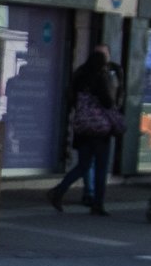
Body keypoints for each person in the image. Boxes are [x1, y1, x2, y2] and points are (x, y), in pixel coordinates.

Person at [47, 49, 121, 215]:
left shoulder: (79, 77)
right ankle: (98, 204)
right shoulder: (101, 78)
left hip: (82, 129)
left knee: (83, 165)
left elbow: (71, 99)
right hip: (100, 130)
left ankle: (59, 191)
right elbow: (108, 102)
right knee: (101, 167)